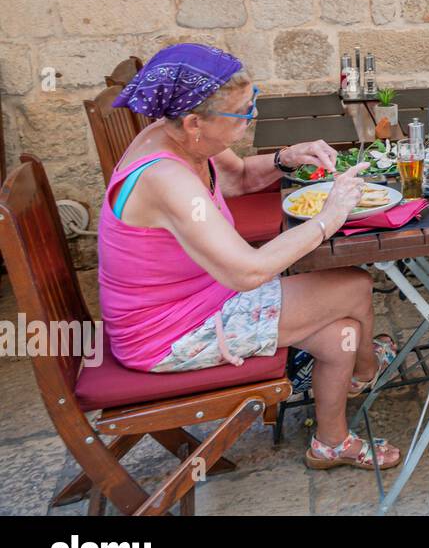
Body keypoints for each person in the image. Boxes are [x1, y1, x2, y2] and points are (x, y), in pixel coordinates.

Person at [99, 44, 401, 472]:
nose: (249, 119)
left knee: (342, 334)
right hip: (169, 334)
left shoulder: (179, 137)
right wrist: (330, 217)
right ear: (193, 122)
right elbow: (248, 270)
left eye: (251, 103)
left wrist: (285, 158)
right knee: (354, 285)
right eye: (241, 114)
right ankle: (366, 371)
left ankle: (331, 442)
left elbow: (238, 177)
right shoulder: (164, 177)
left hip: (195, 299)